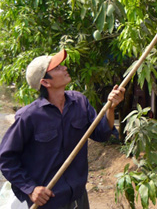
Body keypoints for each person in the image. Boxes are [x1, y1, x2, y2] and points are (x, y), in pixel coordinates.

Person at [0, 50, 125, 208]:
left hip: (78, 198)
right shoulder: (28, 117)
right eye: (57, 67)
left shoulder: (80, 102)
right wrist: (31, 189)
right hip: (49, 202)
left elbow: (102, 134)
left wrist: (111, 108)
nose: (65, 68)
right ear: (46, 82)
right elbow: (6, 159)